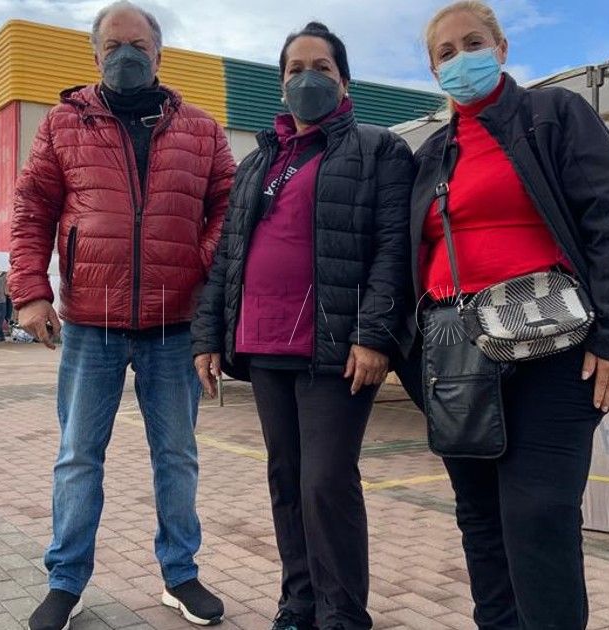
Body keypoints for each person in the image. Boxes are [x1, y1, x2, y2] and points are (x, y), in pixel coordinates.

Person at [398, 2, 609, 628]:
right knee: (480, 517)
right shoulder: (430, 155)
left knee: (539, 515)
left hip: (554, 346)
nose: (462, 59)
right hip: (460, 358)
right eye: (446, 53)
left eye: (473, 42)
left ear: (503, 48)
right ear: (433, 71)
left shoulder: (554, 116)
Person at [8, 2, 235, 628]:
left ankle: (180, 575)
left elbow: (230, 205)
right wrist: (30, 291)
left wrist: (198, 258)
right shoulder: (62, 123)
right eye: (114, 46)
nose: (126, 55)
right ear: (96, 56)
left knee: (178, 456)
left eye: (139, 44)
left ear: (160, 55)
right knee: (78, 455)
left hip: (173, 324)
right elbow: (32, 209)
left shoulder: (202, 129)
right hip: (90, 322)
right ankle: (66, 580)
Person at [191, 22, 414, 630]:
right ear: (281, 81)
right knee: (286, 478)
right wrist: (209, 336)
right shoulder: (258, 161)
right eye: (294, 68)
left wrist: (375, 334)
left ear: (343, 81)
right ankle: (299, 602)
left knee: (325, 481)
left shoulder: (379, 149)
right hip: (262, 344)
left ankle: (343, 612)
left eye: (321, 66)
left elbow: (395, 249)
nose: (306, 78)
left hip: (336, 347)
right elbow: (228, 256)